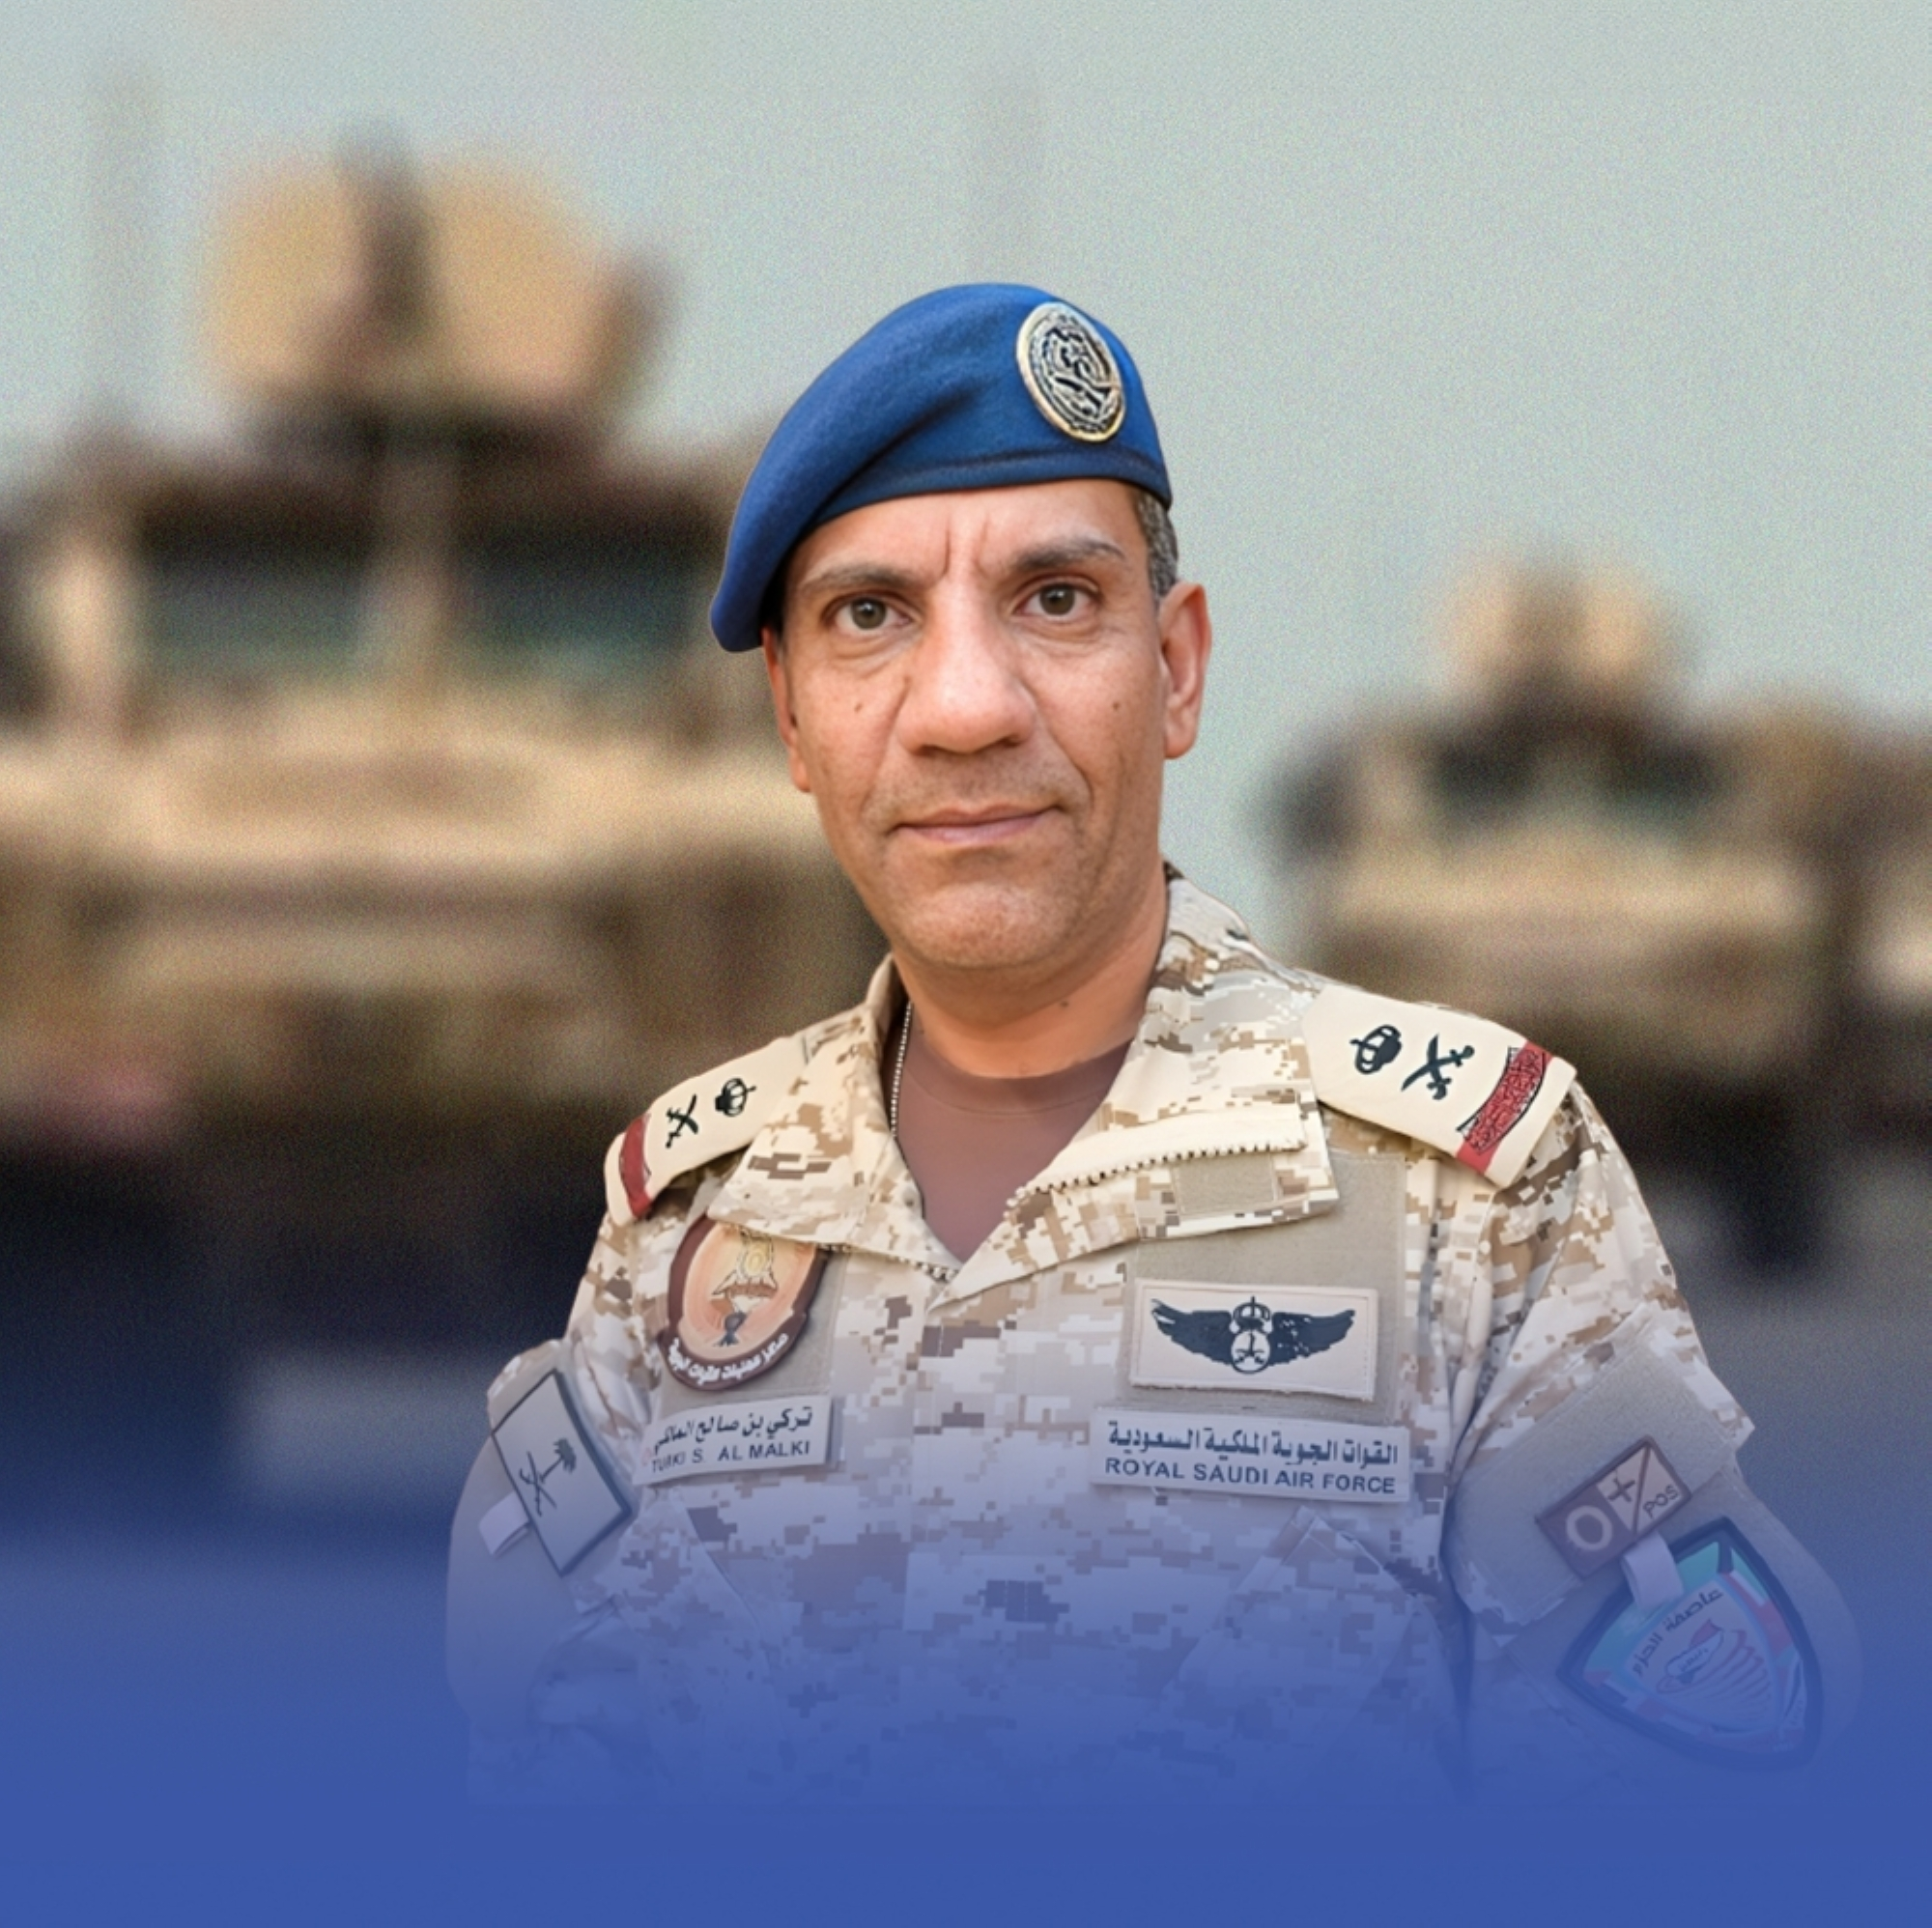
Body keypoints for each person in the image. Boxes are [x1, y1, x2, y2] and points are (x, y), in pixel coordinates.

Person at [445, 284, 1856, 1800]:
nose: (966, 709)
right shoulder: (688, 1211)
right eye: (870, 617)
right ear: (790, 716)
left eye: (1056, 601)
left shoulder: (1471, 1194)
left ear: (1176, 670)